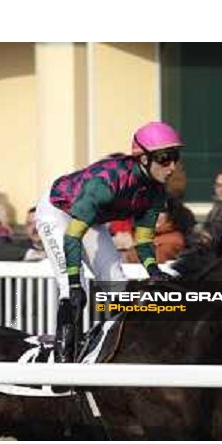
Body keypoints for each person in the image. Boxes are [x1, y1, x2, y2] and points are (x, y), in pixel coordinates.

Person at [35, 121, 183, 362]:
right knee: (75, 290)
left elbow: (143, 240)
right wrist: (73, 281)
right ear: (144, 159)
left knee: (118, 286)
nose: (173, 166)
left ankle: (119, 353)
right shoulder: (106, 185)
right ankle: (62, 365)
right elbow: (72, 237)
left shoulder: (156, 191)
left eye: (176, 157)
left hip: (89, 218)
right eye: (165, 158)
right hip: (57, 211)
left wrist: (153, 271)